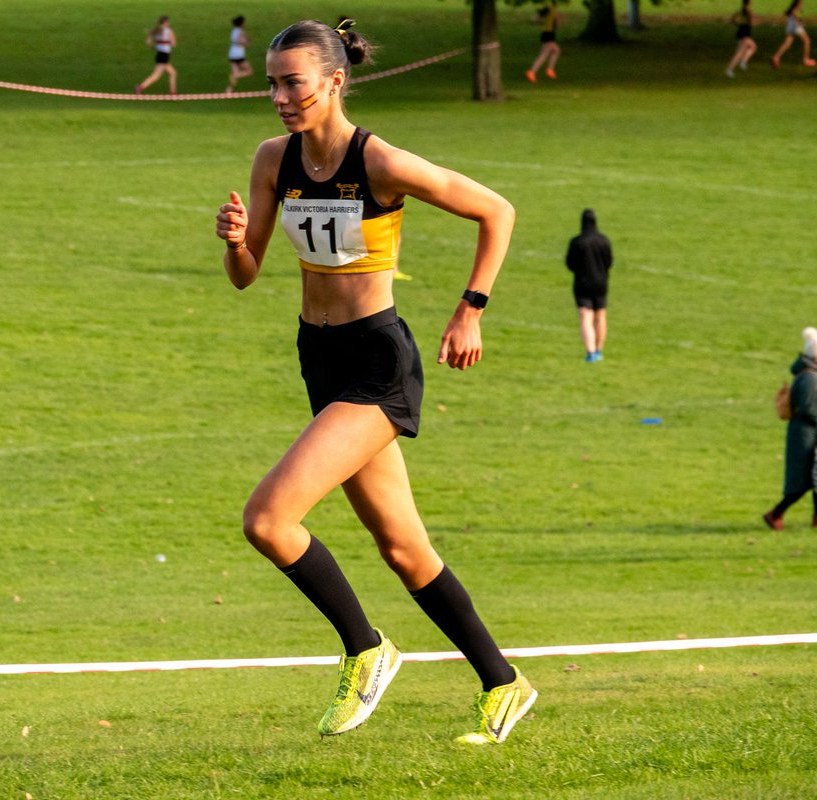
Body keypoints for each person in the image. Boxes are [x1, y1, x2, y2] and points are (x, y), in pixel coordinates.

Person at [214, 18, 536, 746]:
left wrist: (470, 310)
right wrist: (236, 243)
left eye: (293, 82)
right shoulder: (274, 160)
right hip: (318, 358)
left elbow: (496, 210)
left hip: (375, 363)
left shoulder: (380, 161)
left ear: (334, 81)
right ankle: (504, 683)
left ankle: (366, 649)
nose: (280, 97)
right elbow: (246, 275)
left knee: (267, 520)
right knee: (404, 549)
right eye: (272, 83)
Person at [763, 327, 817, 530]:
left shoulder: (808, 375)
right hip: (805, 435)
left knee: (814, 479)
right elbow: (809, 409)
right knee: (802, 482)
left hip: (809, 433)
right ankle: (775, 514)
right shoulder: (810, 378)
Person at [566, 208, 613, 363]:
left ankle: (590, 351)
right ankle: (599, 350)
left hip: (582, 282)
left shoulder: (577, 241)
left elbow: (570, 263)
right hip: (601, 282)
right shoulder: (604, 240)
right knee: (600, 315)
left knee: (585, 315)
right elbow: (609, 262)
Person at [135, 15, 177, 95]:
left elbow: (148, 42)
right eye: (168, 22)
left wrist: (155, 46)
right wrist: (168, 42)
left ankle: (173, 92)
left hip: (159, 54)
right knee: (156, 75)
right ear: (165, 22)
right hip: (165, 55)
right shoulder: (168, 31)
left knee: (173, 73)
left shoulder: (156, 31)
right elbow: (174, 43)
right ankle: (140, 87)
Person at [771, 0, 817, 67]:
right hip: (796, 27)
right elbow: (794, 14)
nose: (802, 4)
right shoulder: (796, 8)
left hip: (791, 26)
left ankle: (776, 57)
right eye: (801, 3)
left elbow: (792, 15)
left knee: (787, 44)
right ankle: (805, 60)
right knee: (807, 41)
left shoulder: (794, 8)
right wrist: (799, 22)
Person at [526, 1, 562, 83]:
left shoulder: (552, 10)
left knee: (556, 51)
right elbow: (537, 18)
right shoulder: (550, 9)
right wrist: (558, 19)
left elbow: (538, 19)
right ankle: (532, 72)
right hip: (548, 34)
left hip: (549, 34)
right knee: (544, 54)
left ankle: (550, 70)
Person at [727, 0, 758, 76]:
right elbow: (752, 22)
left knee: (746, 49)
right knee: (749, 48)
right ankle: (738, 64)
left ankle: (735, 66)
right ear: (748, 3)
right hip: (744, 33)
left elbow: (733, 20)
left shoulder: (740, 11)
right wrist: (753, 17)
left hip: (742, 33)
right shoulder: (747, 11)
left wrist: (738, 23)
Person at [226, 15, 253, 94]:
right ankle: (235, 75)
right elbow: (240, 41)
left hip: (232, 53)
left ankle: (229, 90)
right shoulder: (240, 31)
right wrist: (247, 42)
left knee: (236, 72)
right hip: (238, 54)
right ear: (241, 23)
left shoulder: (234, 30)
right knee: (249, 71)